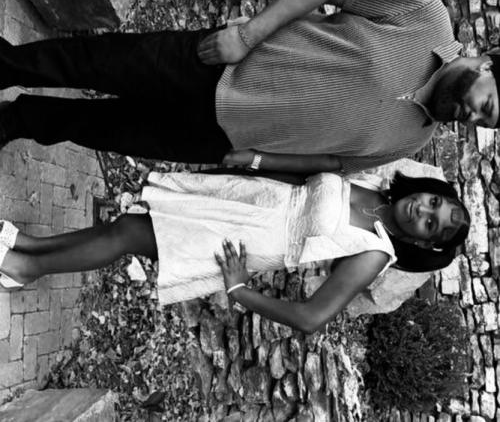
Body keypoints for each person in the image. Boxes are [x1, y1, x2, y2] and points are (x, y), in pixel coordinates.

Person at [0, 0, 498, 174]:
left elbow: (333, 163)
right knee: (96, 64)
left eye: (485, 123)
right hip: (220, 66)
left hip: (219, 137)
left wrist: (259, 160)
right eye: (488, 105)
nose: (473, 118)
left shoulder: (413, 141)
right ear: (488, 64)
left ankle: (16, 120)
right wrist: (246, 36)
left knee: (101, 129)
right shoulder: (426, 16)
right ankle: (5, 65)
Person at [0, 168, 470, 333]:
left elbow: (312, 318)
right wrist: (250, 167)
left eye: (432, 225)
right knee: (129, 226)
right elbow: (306, 178)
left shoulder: (375, 254)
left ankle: (23, 267)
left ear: (422, 241)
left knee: (128, 237)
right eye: (435, 203)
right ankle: (30, 249)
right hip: (247, 199)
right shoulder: (378, 187)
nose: (424, 211)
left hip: (248, 242)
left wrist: (240, 290)